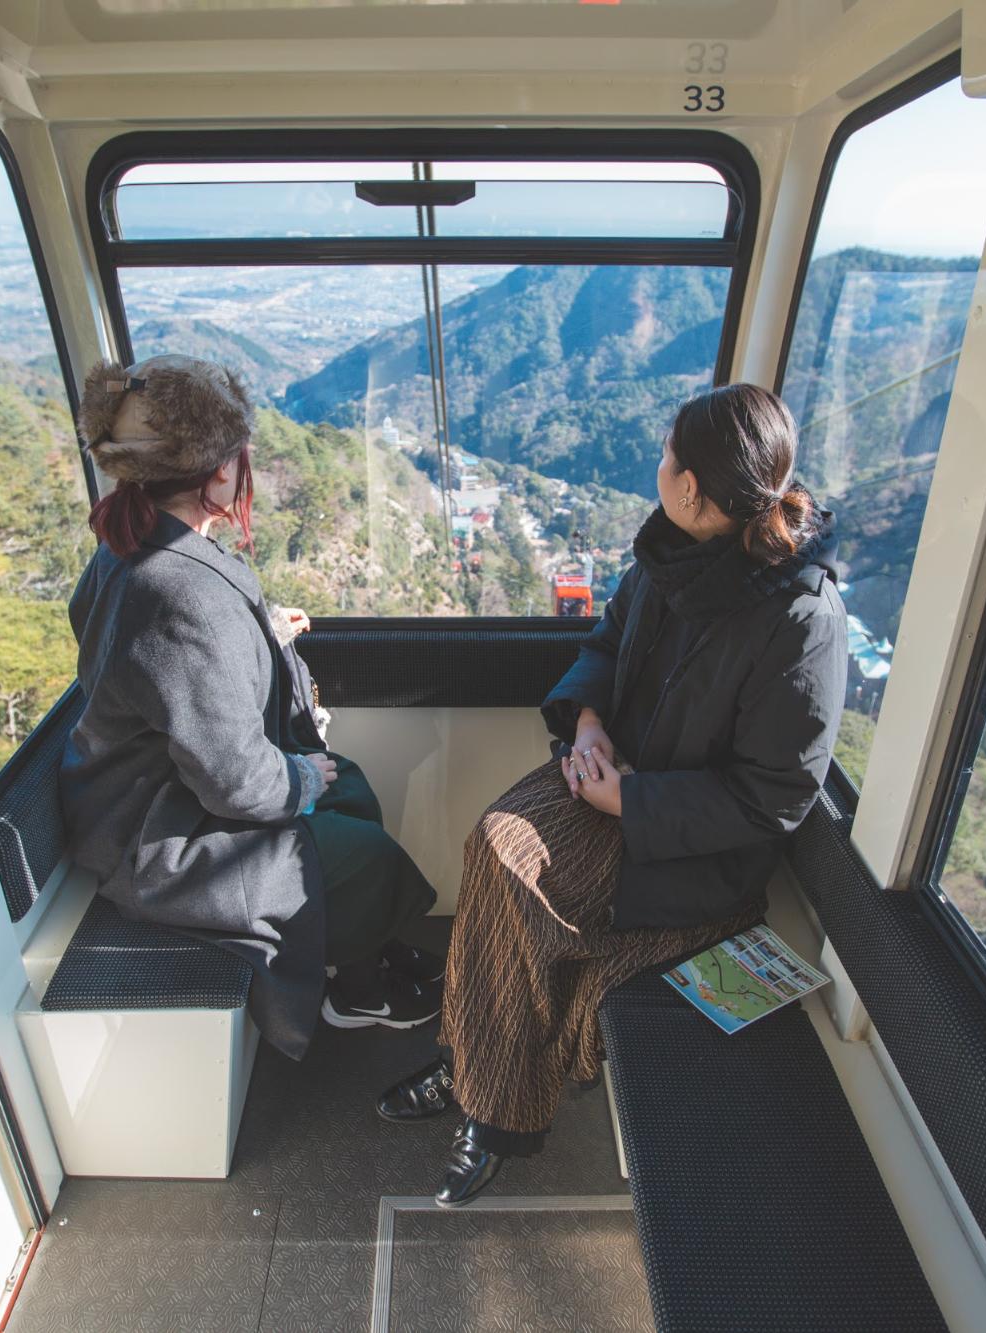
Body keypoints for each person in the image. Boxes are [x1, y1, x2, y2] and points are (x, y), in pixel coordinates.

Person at [375, 383, 849, 1205]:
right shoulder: (669, 552)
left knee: (523, 901)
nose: (658, 468)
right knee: (495, 844)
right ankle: (472, 1056)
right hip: (610, 781)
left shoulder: (801, 619)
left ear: (693, 487)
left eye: (668, 457)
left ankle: (493, 1107)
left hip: (682, 838)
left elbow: (772, 798)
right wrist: (589, 722)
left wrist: (630, 803)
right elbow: (604, 640)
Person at [59, 355, 440, 1062]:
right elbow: (234, 779)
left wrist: (256, 638)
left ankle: (357, 966)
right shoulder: (181, 593)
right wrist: (299, 779)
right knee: (366, 854)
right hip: (162, 835)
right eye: (238, 456)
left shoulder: (129, 548)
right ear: (215, 474)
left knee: (348, 783)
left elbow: (151, 666)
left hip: (144, 788)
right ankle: (350, 989)